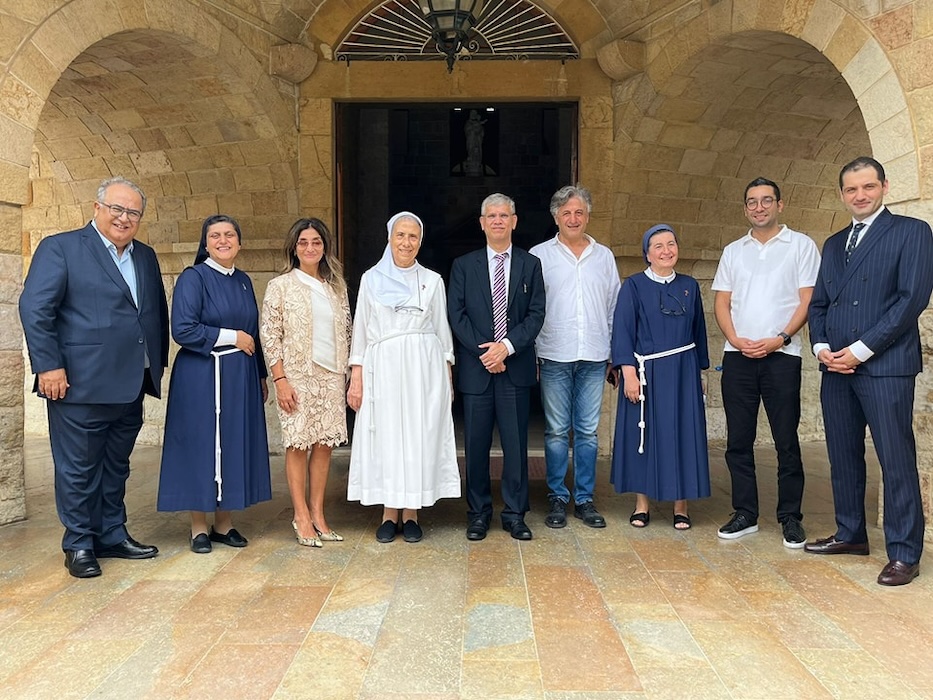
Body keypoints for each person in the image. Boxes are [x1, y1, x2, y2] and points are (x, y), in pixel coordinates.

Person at [19, 176, 169, 578]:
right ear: (97, 207)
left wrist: (156, 365)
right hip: (77, 384)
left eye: (133, 212)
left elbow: (152, 312)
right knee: (78, 467)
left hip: (131, 382)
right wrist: (48, 365)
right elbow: (36, 308)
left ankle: (111, 534)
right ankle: (79, 543)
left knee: (116, 465)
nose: (124, 218)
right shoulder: (62, 248)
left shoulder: (145, 255)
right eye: (117, 209)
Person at [806, 156, 933, 586]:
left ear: (884, 187)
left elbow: (910, 300)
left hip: (885, 366)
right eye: (852, 189)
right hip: (835, 367)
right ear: (842, 194)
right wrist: (823, 348)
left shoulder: (912, 233)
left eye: (868, 187)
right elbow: (819, 302)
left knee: (895, 459)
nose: (860, 195)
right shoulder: (834, 242)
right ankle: (850, 533)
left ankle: (903, 551)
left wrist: (860, 350)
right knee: (842, 455)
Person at [712, 178, 820, 548]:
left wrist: (781, 338)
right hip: (738, 356)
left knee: (786, 440)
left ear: (780, 205)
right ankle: (745, 513)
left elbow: (807, 300)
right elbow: (722, 302)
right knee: (738, 440)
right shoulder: (733, 250)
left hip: (782, 357)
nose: (759, 207)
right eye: (752, 202)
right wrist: (735, 338)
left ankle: (790, 517)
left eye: (766, 201)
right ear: (745, 208)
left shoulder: (801, 246)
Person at [157, 215, 271, 553]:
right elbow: (183, 329)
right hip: (201, 376)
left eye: (230, 235)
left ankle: (224, 523)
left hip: (240, 377)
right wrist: (231, 336)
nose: (223, 240)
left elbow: (254, 333)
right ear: (205, 244)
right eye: (215, 236)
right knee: (201, 444)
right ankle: (197, 527)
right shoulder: (194, 278)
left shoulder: (244, 281)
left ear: (240, 242)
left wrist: (261, 374)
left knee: (232, 442)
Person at [347, 212, 460, 543]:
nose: (406, 242)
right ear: (389, 238)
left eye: (412, 236)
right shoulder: (370, 279)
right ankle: (388, 512)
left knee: (416, 436)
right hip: (382, 367)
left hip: (423, 370)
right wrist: (357, 377)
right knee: (387, 435)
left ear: (420, 241)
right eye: (400, 235)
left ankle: (411, 513)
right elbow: (361, 332)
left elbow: (442, 332)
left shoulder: (432, 281)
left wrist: (447, 379)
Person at [448, 193, 546, 541]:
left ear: (514, 221)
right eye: (491, 216)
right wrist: (485, 353)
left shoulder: (530, 264)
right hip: (478, 370)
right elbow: (456, 315)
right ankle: (478, 513)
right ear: (482, 223)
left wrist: (505, 347)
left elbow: (536, 314)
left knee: (516, 446)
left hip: (515, 367)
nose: (498, 221)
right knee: (475, 446)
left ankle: (515, 514)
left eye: (504, 215)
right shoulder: (464, 265)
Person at [530, 185, 620, 530]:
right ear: (555, 216)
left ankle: (584, 499)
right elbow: (532, 309)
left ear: (587, 216)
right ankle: (556, 497)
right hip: (553, 353)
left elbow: (614, 307)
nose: (573, 218)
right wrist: (534, 355)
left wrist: (615, 353)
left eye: (579, 212)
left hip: (595, 355)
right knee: (555, 431)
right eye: (566, 212)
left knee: (587, 431)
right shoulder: (539, 255)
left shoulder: (604, 256)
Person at [610, 224, 709, 529]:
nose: (666, 251)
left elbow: (699, 334)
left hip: (683, 374)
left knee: (683, 433)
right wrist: (627, 373)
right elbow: (623, 332)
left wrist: (701, 372)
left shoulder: (690, 286)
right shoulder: (634, 286)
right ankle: (642, 505)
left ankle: (682, 505)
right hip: (646, 373)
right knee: (645, 436)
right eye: (658, 246)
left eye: (671, 244)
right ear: (647, 254)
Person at [261, 218, 352, 548]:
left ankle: (319, 513)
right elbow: (270, 335)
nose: (310, 247)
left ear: (325, 247)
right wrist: (280, 379)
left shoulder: (335, 287)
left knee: (324, 445)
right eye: (303, 242)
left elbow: (348, 332)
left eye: (316, 242)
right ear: (294, 248)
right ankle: (300, 515)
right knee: (298, 444)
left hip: (331, 376)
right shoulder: (281, 286)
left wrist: (350, 373)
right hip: (296, 376)